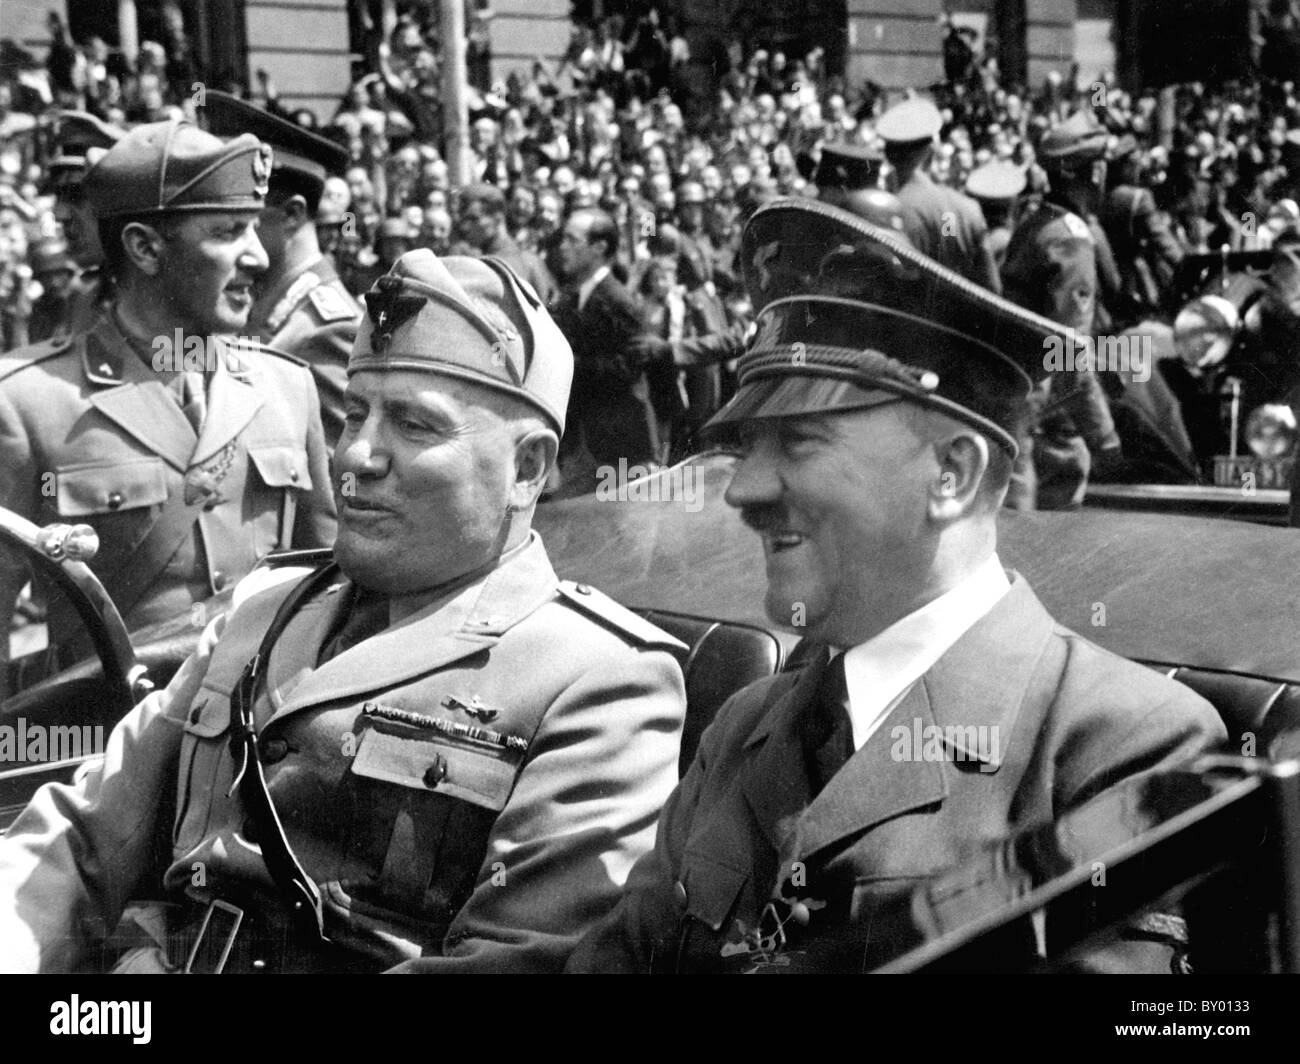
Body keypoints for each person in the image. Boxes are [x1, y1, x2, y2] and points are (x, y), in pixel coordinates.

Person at [567, 200, 1225, 974]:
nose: (742, 490)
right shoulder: (745, 726)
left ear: (953, 472)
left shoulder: (1123, 747)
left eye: (801, 441)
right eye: (748, 445)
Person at [0, 249, 687, 973]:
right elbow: (83, 835)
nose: (357, 452)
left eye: (416, 426)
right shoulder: (266, 607)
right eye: (355, 412)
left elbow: (519, 964)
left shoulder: (597, 681)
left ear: (527, 468)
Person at [0, 119, 336, 666]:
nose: (259, 257)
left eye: (254, 229)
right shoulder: (27, 403)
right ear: (145, 249)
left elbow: (330, 588)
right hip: (104, 742)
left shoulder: (287, 387)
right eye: (229, 232)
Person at [202, 92, 363, 451]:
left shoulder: (328, 327)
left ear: (291, 215)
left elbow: (343, 483)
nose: (230, 235)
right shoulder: (262, 300)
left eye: (243, 220)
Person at [1002, 110, 1124, 509]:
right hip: (1045, 422)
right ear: (1089, 174)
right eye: (1100, 165)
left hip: (1015, 402)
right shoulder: (1071, 240)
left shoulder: (1036, 224)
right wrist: (1104, 436)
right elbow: (1070, 351)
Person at [549, 207, 670, 493]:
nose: (562, 248)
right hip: (586, 444)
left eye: (571, 240)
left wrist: (569, 365)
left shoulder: (619, 300)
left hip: (623, 449)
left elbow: (629, 365)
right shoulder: (573, 297)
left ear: (599, 248)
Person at [878, 96, 1001, 293]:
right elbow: (992, 288)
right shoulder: (962, 207)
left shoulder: (887, 211)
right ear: (932, 150)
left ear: (888, 154)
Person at [456, 182, 556, 302]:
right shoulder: (473, 262)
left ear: (497, 217)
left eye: (473, 219)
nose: (465, 227)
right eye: (463, 220)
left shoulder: (530, 264)